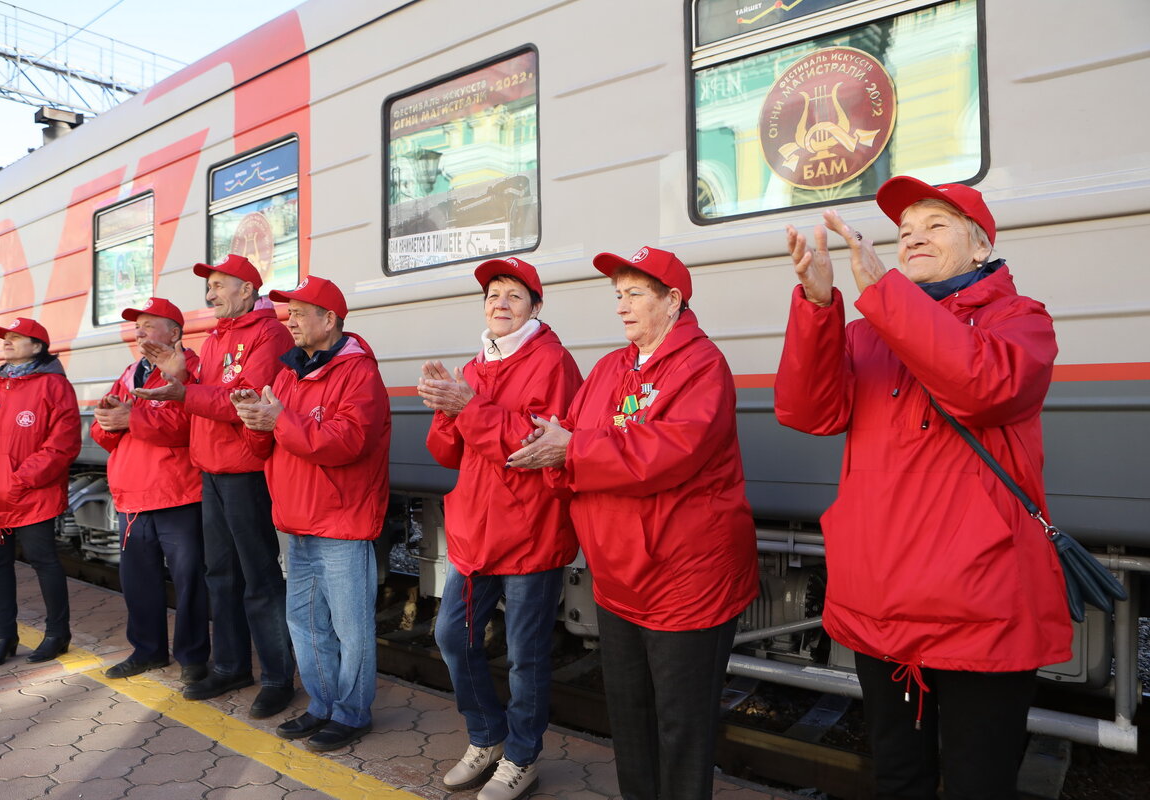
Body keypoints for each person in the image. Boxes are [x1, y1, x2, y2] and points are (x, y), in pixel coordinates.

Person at [773, 177, 1073, 800]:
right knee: (898, 774)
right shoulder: (870, 329)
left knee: (978, 782)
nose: (913, 237)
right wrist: (819, 304)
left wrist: (883, 294)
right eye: (906, 230)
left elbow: (982, 387)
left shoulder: (1022, 320)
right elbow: (809, 412)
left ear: (981, 245)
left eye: (935, 225)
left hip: (980, 601)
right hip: (883, 597)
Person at [507, 247, 759, 800]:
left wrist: (572, 450)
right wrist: (547, 449)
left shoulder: (702, 366)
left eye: (635, 293)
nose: (621, 305)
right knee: (630, 718)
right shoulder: (608, 368)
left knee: (681, 727)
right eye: (617, 294)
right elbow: (572, 438)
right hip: (620, 578)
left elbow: (669, 451)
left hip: (685, 580)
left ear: (673, 301)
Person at [419, 257, 583, 800]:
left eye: (514, 295)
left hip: (531, 532)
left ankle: (521, 755)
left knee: (526, 654)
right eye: (493, 295)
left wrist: (468, 407)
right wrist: (446, 410)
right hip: (474, 532)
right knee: (450, 635)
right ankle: (487, 736)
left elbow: (534, 449)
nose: (501, 304)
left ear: (536, 307)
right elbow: (446, 453)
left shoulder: (554, 363)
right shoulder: (472, 366)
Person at [232, 275, 390, 752]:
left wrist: (279, 420)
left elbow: (345, 443)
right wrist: (254, 419)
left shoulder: (358, 372)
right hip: (299, 521)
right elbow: (266, 446)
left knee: (350, 627)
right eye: (289, 310)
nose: (290, 319)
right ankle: (323, 706)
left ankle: (352, 712)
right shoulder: (287, 372)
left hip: (341, 523)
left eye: (300, 311)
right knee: (305, 622)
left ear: (330, 320)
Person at [134, 254, 296, 718]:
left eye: (219, 285)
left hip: (245, 470)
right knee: (221, 575)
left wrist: (186, 390)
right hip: (213, 468)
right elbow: (210, 393)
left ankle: (278, 678)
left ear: (247, 290)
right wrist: (183, 376)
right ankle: (230, 666)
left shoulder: (269, 333)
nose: (210, 294)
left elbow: (246, 401)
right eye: (210, 286)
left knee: (260, 577)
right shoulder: (216, 337)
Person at [91, 298, 209, 683]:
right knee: (138, 582)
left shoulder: (189, 370)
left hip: (178, 492)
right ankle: (147, 651)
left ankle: (193, 657)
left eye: (148, 324)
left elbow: (184, 427)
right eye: (136, 325)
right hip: (133, 495)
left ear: (174, 333)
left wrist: (130, 418)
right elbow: (101, 433)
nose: (139, 331)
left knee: (190, 581)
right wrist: (108, 421)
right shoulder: (129, 374)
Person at [0, 317, 80, 667]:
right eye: (4, 338)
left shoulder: (54, 386)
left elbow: (63, 443)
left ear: (37, 346)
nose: (6, 343)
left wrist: (19, 478)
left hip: (30, 495)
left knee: (45, 563)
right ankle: (5, 636)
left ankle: (57, 634)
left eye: (16, 338)